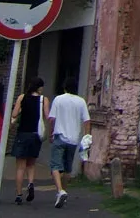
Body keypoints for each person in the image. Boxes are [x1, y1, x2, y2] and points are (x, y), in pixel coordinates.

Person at [46, 77, 90, 209]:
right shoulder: (81, 101)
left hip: (59, 136)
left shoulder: (59, 99)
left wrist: (50, 134)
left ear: (64, 87)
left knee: (55, 165)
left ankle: (60, 191)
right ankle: (63, 193)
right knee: (67, 168)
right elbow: (87, 121)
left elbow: (52, 119)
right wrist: (86, 137)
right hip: (74, 139)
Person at [10, 76, 50, 205]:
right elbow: (47, 116)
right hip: (35, 135)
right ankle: (31, 184)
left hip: (23, 134)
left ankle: (18, 194)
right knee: (31, 164)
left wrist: (22, 110)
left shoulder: (22, 97)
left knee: (20, 167)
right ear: (39, 87)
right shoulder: (44, 100)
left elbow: (14, 114)